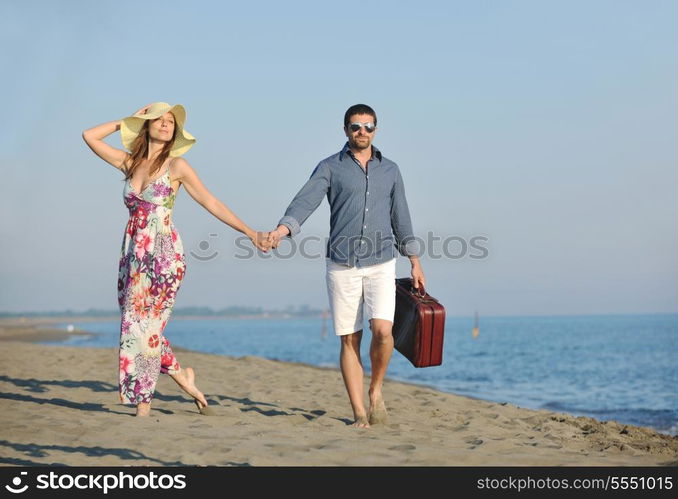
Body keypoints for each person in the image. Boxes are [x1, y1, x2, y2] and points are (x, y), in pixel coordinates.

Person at [82, 102, 270, 417]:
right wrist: (126, 121)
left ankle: (144, 405)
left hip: (164, 255)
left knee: (146, 325)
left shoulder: (177, 166)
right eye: (160, 119)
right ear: (147, 124)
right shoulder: (131, 163)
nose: (167, 124)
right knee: (135, 324)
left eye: (172, 121)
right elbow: (90, 136)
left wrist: (250, 232)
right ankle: (183, 376)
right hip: (133, 254)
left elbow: (211, 201)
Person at [268, 104, 425, 428]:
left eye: (368, 126)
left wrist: (414, 261)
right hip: (342, 265)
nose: (362, 132)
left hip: (382, 261)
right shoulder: (329, 167)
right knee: (349, 339)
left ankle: (376, 389)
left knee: (383, 332)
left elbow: (401, 217)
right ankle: (358, 413)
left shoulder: (391, 170)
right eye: (356, 126)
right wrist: (283, 231)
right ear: (345, 130)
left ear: (376, 130)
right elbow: (304, 202)